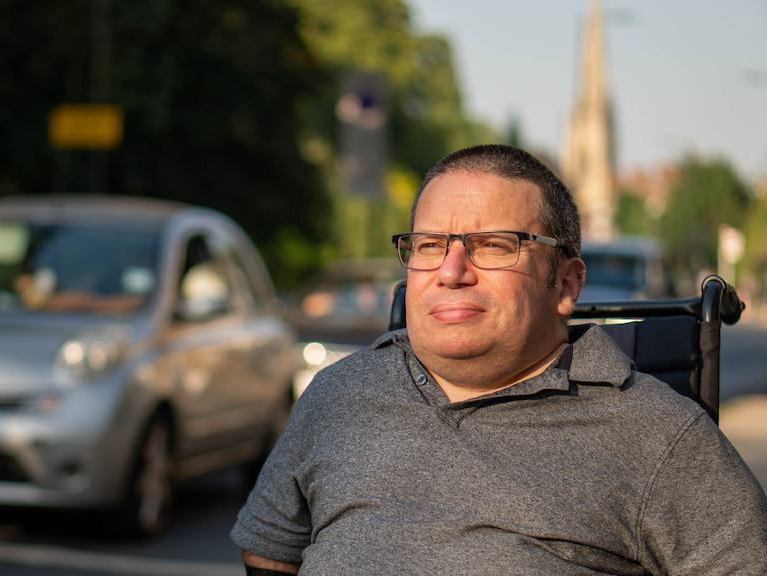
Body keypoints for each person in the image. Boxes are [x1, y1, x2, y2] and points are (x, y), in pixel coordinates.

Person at [231, 144, 767, 575]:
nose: (451, 271)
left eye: (492, 245)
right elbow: (270, 552)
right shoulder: (339, 396)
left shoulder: (659, 439)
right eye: (429, 245)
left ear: (566, 283)